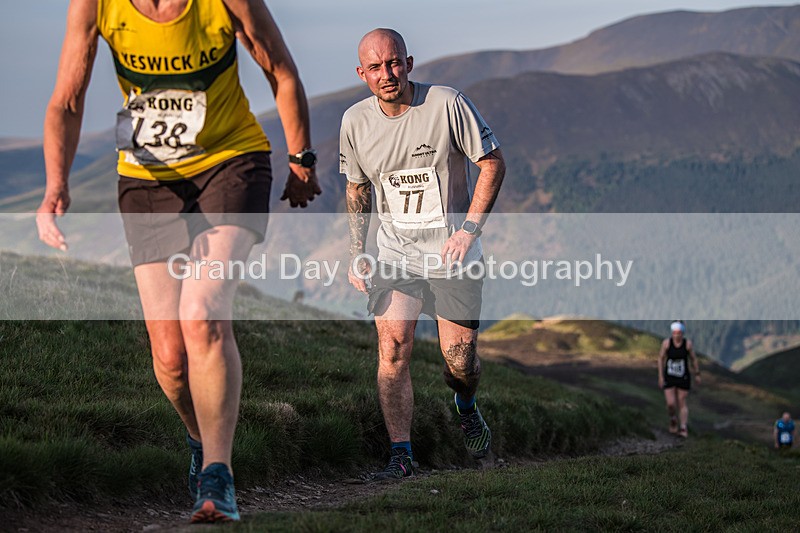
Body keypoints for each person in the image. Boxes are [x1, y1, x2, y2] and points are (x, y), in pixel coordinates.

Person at [36, 0, 320, 523]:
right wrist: (57, 183)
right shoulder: (97, 6)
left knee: (204, 313)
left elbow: (280, 70)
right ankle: (198, 438)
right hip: (147, 179)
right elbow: (68, 100)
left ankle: (219, 473)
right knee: (169, 356)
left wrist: (301, 159)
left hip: (231, 161)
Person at [340, 28, 506, 480]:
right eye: (375, 67)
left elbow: (492, 163)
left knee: (460, 362)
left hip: (453, 255)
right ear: (362, 74)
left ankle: (466, 404)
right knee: (393, 348)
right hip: (395, 253)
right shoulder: (354, 122)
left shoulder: (446, 103)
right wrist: (358, 251)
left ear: (408, 63)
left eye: (393, 63)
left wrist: (468, 231)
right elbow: (357, 188)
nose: (386, 74)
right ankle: (401, 454)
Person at [658, 321, 700, 438]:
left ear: (682, 333)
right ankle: (673, 419)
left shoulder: (687, 344)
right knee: (671, 404)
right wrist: (660, 376)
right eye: (675, 333)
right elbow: (660, 359)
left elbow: (693, 359)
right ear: (672, 333)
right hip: (669, 376)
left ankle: (683, 428)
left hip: (683, 377)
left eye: (679, 333)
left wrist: (697, 373)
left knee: (682, 401)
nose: (677, 335)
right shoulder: (666, 344)